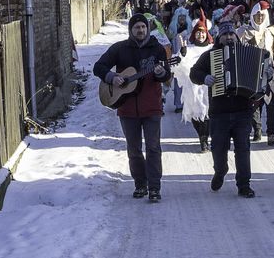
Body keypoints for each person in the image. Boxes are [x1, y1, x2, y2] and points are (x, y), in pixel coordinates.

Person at [93, 13, 172, 201]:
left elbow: (167, 75)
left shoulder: (157, 49)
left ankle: (154, 187)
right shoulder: (120, 49)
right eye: (137, 27)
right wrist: (113, 77)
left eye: (143, 27)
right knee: (134, 149)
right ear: (131, 29)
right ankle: (140, 184)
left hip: (152, 106)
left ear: (148, 29)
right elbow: (99, 67)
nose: (140, 30)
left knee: (153, 147)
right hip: (127, 109)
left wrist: (161, 73)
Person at [189, 15, 260, 198]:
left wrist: (265, 73)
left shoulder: (250, 52)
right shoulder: (210, 56)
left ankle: (244, 185)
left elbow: (261, 75)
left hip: (243, 110)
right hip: (219, 113)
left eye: (231, 34)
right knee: (218, 150)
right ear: (219, 37)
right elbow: (194, 73)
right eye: (225, 34)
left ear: (236, 37)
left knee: (243, 149)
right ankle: (220, 172)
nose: (229, 37)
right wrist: (205, 78)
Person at [240, 1, 274, 145]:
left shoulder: (273, 32)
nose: (259, 18)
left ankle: (271, 133)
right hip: (251, 73)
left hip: (269, 72)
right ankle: (257, 128)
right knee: (253, 104)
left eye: (262, 15)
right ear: (253, 15)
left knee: (271, 103)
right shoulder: (243, 31)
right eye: (257, 15)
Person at [170, 20, 213, 151]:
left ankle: (204, 139)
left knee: (208, 114)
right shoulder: (188, 49)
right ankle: (201, 136)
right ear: (194, 34)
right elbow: (176, 66)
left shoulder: (212, 48)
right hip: (192, 87)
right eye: (198, 33)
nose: (201, 35)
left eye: (203, 33)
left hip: (208, 86)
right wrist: (182, 53)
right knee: (196, 114)